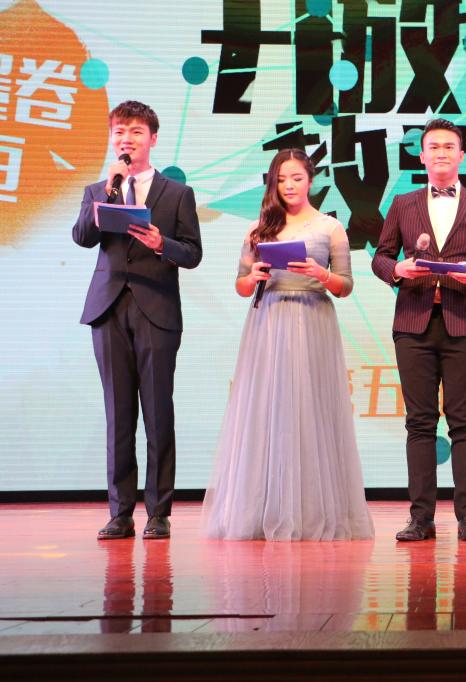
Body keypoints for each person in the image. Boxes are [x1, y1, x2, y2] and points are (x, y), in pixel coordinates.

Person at [200, 149, 373, 541]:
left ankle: (312, 511)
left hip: (313, 318)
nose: (289, 186)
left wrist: (320, 274)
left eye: (296, 178)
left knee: (310, 409)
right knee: (267, 410)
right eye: (281, 180)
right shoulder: (258, 228)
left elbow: (345, 286)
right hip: (269, 320)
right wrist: (254, 276)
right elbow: (241, 286)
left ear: (310, 179)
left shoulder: (330, 228)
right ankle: (263, 510)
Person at [371, 119, 466, 542]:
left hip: (464, 322)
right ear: (422, 156)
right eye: (434, 146)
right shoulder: (403, 203)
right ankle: (421, 518)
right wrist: (398, 269)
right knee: (419, 422)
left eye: (450, 146)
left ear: (462, 155)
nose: (442, 153)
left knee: (464, 422)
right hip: (413, 323)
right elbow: (380, 257)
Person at [73, 100, 202, 540]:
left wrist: (162, 243)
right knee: (118, 412)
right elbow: (82, 237)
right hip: (108, 308)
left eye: (136, 132)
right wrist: (106, 192)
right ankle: (120, 512)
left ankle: (159, 512)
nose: (126, 140)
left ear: (153, 139)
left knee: (158, 412)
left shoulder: (177, 193)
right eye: (119, 132)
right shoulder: (98, 189)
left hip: (157, 310)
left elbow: (193, 254)